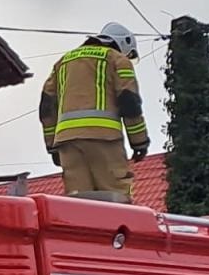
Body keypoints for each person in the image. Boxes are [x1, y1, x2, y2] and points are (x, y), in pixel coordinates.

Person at [39, 22, 149, 199]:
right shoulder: (117, 59)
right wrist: (139, 142)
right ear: (123, 44)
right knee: (116, 198)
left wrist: (52, 146)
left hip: (67, 143)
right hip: (104, 138)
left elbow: (46, 108)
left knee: (80, 203)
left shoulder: (63, 62)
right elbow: (129, 102)